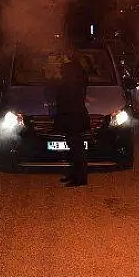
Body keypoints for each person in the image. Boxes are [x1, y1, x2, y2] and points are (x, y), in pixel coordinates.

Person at [55, 50, 89, 187]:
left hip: (73, 118)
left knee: (77, 149)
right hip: (75, 118)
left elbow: (64, 100)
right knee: (75, 149)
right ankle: (75, 175)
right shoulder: (79, 78)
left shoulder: (71, 84)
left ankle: (79, 179)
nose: (61, 74)